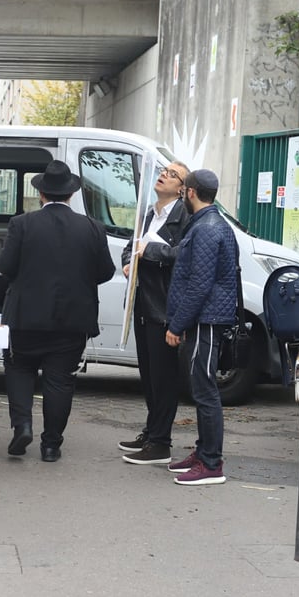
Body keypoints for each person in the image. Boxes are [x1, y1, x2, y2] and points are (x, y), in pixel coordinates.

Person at [0, 160, 115, 462]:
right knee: (60, 380)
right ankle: (51, 445)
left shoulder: (22, 224)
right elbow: (104, 272)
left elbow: (5, 267)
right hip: (73, 319)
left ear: (41, 194)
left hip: (25, 318)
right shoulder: (93, 228)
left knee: (20, 368)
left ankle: (22, 425)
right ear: (71, 195)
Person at [164, 169, 238, 486]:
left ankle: (211, 464)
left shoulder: (207, 228)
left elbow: (199, 284)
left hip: (207, 320)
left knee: (205, 390)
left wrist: (177, 324)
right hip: (207, 318)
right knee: (201, 387)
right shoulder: (211, 223)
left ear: (190, 192)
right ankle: (203, 452)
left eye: (184, 190)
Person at [119, 161, 192, 465]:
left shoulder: (184, 217)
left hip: (164, 306)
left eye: (173, 174)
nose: (164, 174)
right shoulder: (150, 212)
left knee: (163, 379)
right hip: (143, 302)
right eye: (164, 170)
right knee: (148, 376)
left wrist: (148, 253)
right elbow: (131, 246)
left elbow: (183, 256)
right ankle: (152, 431)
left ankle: (161, 443)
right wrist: (128, 261)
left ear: (182, 189)